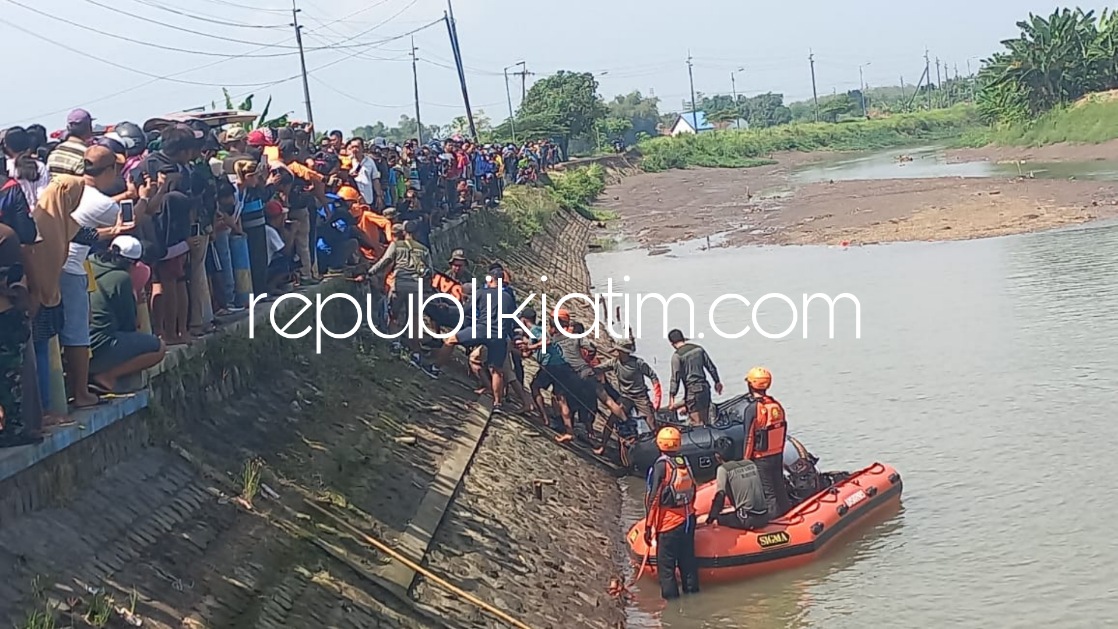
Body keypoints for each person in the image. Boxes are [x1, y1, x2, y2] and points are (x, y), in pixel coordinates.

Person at [88, 236, 166, 393]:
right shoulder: (121, 278)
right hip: (100, 347)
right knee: (159, 348)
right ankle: (108, 376)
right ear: (133, 263)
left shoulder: (89, 262)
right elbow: (128, 324)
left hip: (80, 347)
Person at [369, 219, 435, 374]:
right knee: (415, 319)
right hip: (416, 286)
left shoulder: (396, 245)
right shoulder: (423, 249)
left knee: (394, 314)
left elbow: (385, 261)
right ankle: (416, 352)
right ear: (417, 232)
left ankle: (395, 343)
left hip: (399, 284)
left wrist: (370, 272)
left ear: (404, 232)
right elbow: (430, 271)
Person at [644, 426, 699, 600]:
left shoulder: (661, 466)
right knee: (688, 563)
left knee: (666, 568)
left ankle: (672, 607)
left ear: (660, 443)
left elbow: (653, 499)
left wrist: (648, 526)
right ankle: (693, 598)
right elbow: (694, 489)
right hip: (688, 520)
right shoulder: (684, 462)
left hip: (669, 525)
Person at [594, 338, 662, 455]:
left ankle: (660, 449)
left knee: (651, 422)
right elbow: (597, 369)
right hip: (625, 397)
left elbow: (653, 376)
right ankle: (603, 446)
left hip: (640, 396)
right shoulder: (614, 362)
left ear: (625, 352)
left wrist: (657, 397)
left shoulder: (638, 363)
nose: (617, 353)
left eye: (619, 351)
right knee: (612, 419)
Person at [742, 367, 791, 517]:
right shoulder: (776, 405)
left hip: (761, 457)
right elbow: (783, 430)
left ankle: (776, 526)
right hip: (777, 454)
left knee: (768, 493)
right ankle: (789, 515)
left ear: (751, 385)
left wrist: (745, 460)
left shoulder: (752, 409)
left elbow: (749, 437)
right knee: (780, 489)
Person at [667, 329, 723, 425]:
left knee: (697, 423)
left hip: (692, 392)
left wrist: (672, 397)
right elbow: (711, 367)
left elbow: (675, 378)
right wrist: (717, 381)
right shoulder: (698, 349)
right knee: (706, 421)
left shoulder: (677, 356)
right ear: (683, 338)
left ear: (672, 343)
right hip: (705, 389)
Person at [705, 452, 769, 530]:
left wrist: (711, 518)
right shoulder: (750, 463)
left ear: (718, 457)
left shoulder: (723, 469)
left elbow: (720, 495)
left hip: (747, 519)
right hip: (765, 516)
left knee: (717, 520)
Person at [263, 201, 298, 294]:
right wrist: (292, 233)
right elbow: (286, 252)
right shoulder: (270, 231)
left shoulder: (267, 229)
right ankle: (271, 286)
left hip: (266, 263)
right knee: (286, 262)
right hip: (266, 266)